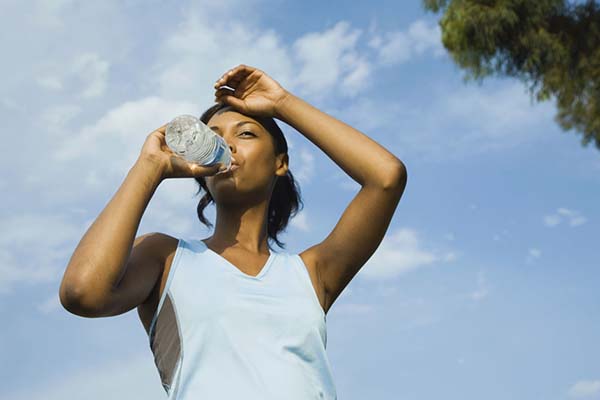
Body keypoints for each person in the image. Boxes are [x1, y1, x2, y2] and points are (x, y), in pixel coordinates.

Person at [59, 64, 408, 399]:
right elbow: (82, 292)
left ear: (280, 162)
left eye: (245, 133)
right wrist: (149, 167)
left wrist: (282, 103)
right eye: (214, 138)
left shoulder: (312, 273)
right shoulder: (165, 257)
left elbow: (386, 177)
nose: (228, 146)